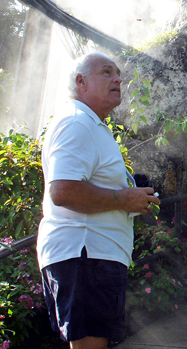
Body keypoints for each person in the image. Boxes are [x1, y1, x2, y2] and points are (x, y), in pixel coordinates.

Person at [37, 52, 160, 349]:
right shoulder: (78, 123)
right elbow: (63, 191)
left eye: (118, 73)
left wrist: (132, 196)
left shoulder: (91, 125)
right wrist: (124, 197)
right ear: (81, 81)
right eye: (107, 72)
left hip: (91, 257)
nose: (118, 79)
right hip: (85, 255)